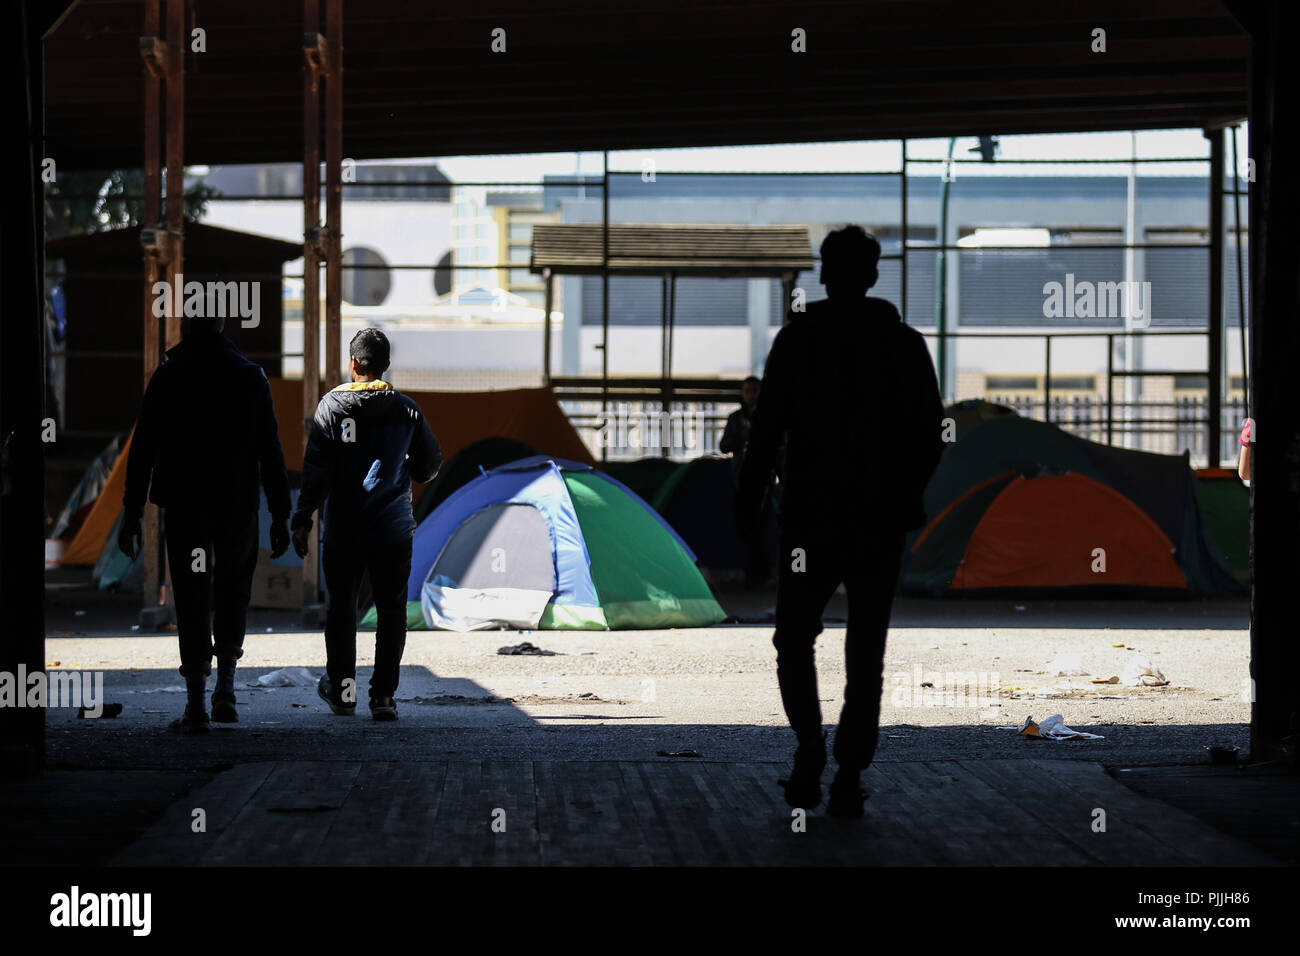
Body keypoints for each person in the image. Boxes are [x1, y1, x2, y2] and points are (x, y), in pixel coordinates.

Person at [736, 225, 945, 818]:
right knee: (866, 646)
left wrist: (748, 509)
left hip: (808, 519)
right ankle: (850, 773)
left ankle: (809, 746)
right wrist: (903, 493)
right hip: (878, 524)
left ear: (823, 274)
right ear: (874, 276)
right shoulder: (905, 345)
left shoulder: (797, 341)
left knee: (794, 637)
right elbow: (932, 435)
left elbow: (767, 431)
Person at [119, 314, 292, 733]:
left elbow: (142, 449)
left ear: (186, 330)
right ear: (220, 328)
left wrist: (131, 513)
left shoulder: (170, 375)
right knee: (233, 589)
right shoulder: (250, 377)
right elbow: (271, 449)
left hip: (186, 506)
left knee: (192, 593)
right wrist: (281, 515)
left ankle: (196, 703)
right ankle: (226, 692)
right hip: (236, 506)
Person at [291, 328, 441, 721]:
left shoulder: (330, 407)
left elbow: (315, 471)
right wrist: (401, 466)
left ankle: (342, 693)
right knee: (391, 611)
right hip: (392, 529)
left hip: (345, 530)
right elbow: (429, 466)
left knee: (341, 610)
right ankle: (384, 698)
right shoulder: (407, 410)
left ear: (353, 363)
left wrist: (302, 517)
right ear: (386, 366)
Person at [720, 375, 771, 587]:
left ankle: (759, 575)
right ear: (742, 394)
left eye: (755, 391)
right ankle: (752, 573)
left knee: (760, 528)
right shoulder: (735, 419)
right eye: (748, 391)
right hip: (741, 480)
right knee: (744, 528)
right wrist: (741, 437)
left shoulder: (769, 416)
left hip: (765, 482)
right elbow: (724, 446)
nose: (752, 396)